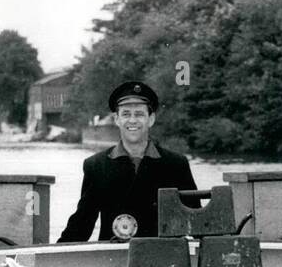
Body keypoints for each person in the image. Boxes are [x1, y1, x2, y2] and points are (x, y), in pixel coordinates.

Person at [56, 80, 197, 242]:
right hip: (113, 258)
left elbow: (196, 221)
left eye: (139, 114)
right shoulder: (96, 165)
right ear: (116, 119)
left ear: (151, 119)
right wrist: (50, 257)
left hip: (163, 257)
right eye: (126, 114)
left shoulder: (176, 164)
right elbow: (83, 222)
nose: (132, 120)